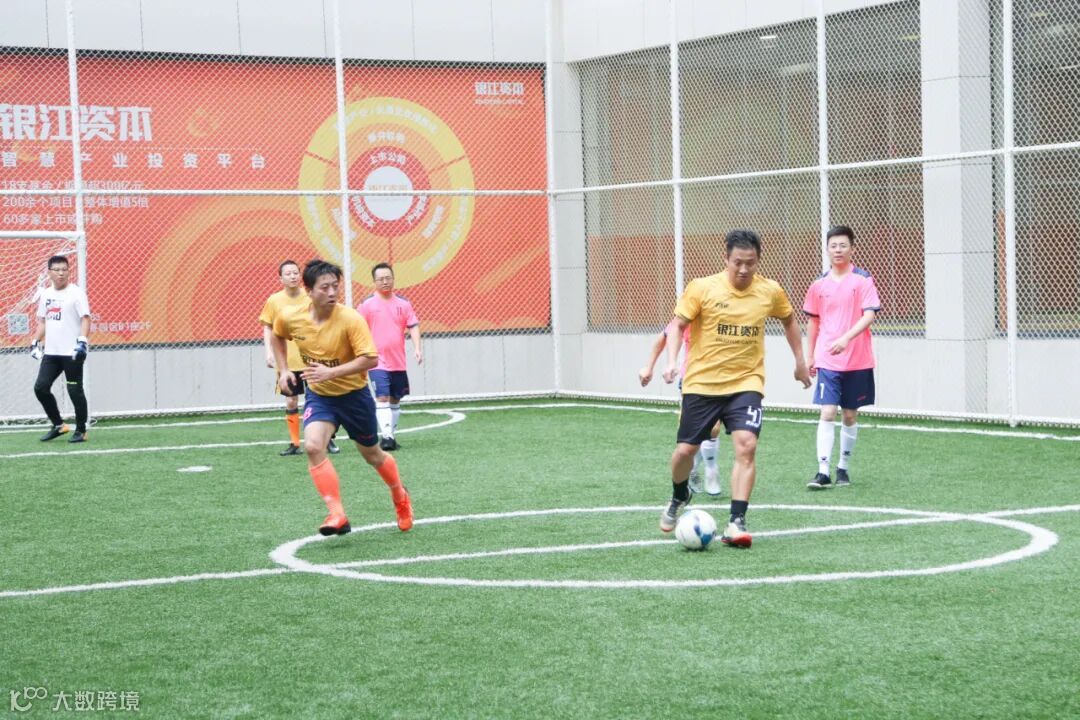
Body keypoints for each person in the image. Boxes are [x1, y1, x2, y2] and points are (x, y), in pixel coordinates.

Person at [659, 229, 811, 547]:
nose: (743, 269)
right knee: (685, 451)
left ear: (759, 261)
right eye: (737, 262)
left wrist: (800, 361)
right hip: (702, 383)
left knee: (747, 445)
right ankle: (679, 494)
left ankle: (736, 522)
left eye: (750, 263)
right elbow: (678, 325)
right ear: (726, 258)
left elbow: (789, 321)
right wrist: (671, 361)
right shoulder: (702, 288)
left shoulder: (770, 291)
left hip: (746, 382)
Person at [270, 259, 412, 536]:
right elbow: (277, 335)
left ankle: (400, 495)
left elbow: (370, 359)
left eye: (335, 286)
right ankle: (337, 514)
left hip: (354, 396)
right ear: (309, 290)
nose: (332, 292)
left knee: (372, 455)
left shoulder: (350, 318)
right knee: (313, 446)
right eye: (325, 287)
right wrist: (284, 369)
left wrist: (330, 372)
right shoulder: (291, 317)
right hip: (320, 396)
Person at [803, 225, 880, 490]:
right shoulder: (818, 284)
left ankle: (843, 468)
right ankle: (823, 471)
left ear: (852, 249)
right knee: (827, 412)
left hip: (857, 360)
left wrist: (847, 338)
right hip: (828, 360)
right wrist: (810, 355)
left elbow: (869, 315)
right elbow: (813, 321)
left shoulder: (863, 280)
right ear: (827, 250)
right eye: (833, 246)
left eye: (843, 245)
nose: (838, 250)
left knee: (849, 415)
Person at [259, 260, 338, 457]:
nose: (293, 276)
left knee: (320, 399)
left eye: (295, 272)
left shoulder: (310, 296)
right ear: (280, 278)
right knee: (291, 401)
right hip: (288, 361)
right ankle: (294, 443)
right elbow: (268, 327)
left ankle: (327, 439)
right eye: (288, 273)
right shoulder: (274, 301)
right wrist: (268, 352)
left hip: (311, 358)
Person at [639, 320, 723, 496]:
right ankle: (693, 468)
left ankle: (711, 469)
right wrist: (649, 367)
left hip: (719, 377)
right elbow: (663, 337)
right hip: (692, 379)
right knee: (691, 434)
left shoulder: (722, 313)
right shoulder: (688, 314)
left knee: (714, 427)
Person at [358, 262, 422, 451]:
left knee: (395, 399)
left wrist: (417, 348)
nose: (385, 282)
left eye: (388, 278)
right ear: (374, 281)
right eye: (381, 279)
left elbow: (413, 326)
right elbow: (356, 329)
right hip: (376, 361)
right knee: (383, 397)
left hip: (398, 361)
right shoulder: (366, 304)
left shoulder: (404, 303)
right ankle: (386, 437)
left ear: (393, 279)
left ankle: (391, 435)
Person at [30, 255, 91, 443]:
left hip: (72, 352)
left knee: (74, 390)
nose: (61, 273)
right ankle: (59, 425)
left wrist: (82, 341)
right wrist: (35, 341)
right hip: (52, 353)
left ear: (68, 271)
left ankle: (81, 431)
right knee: (41, 388)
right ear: (49, 272)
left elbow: (85, 318)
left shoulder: (76, 293)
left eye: (64, 269)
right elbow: (43, 321)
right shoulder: (46, 294)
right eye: (57, 270)